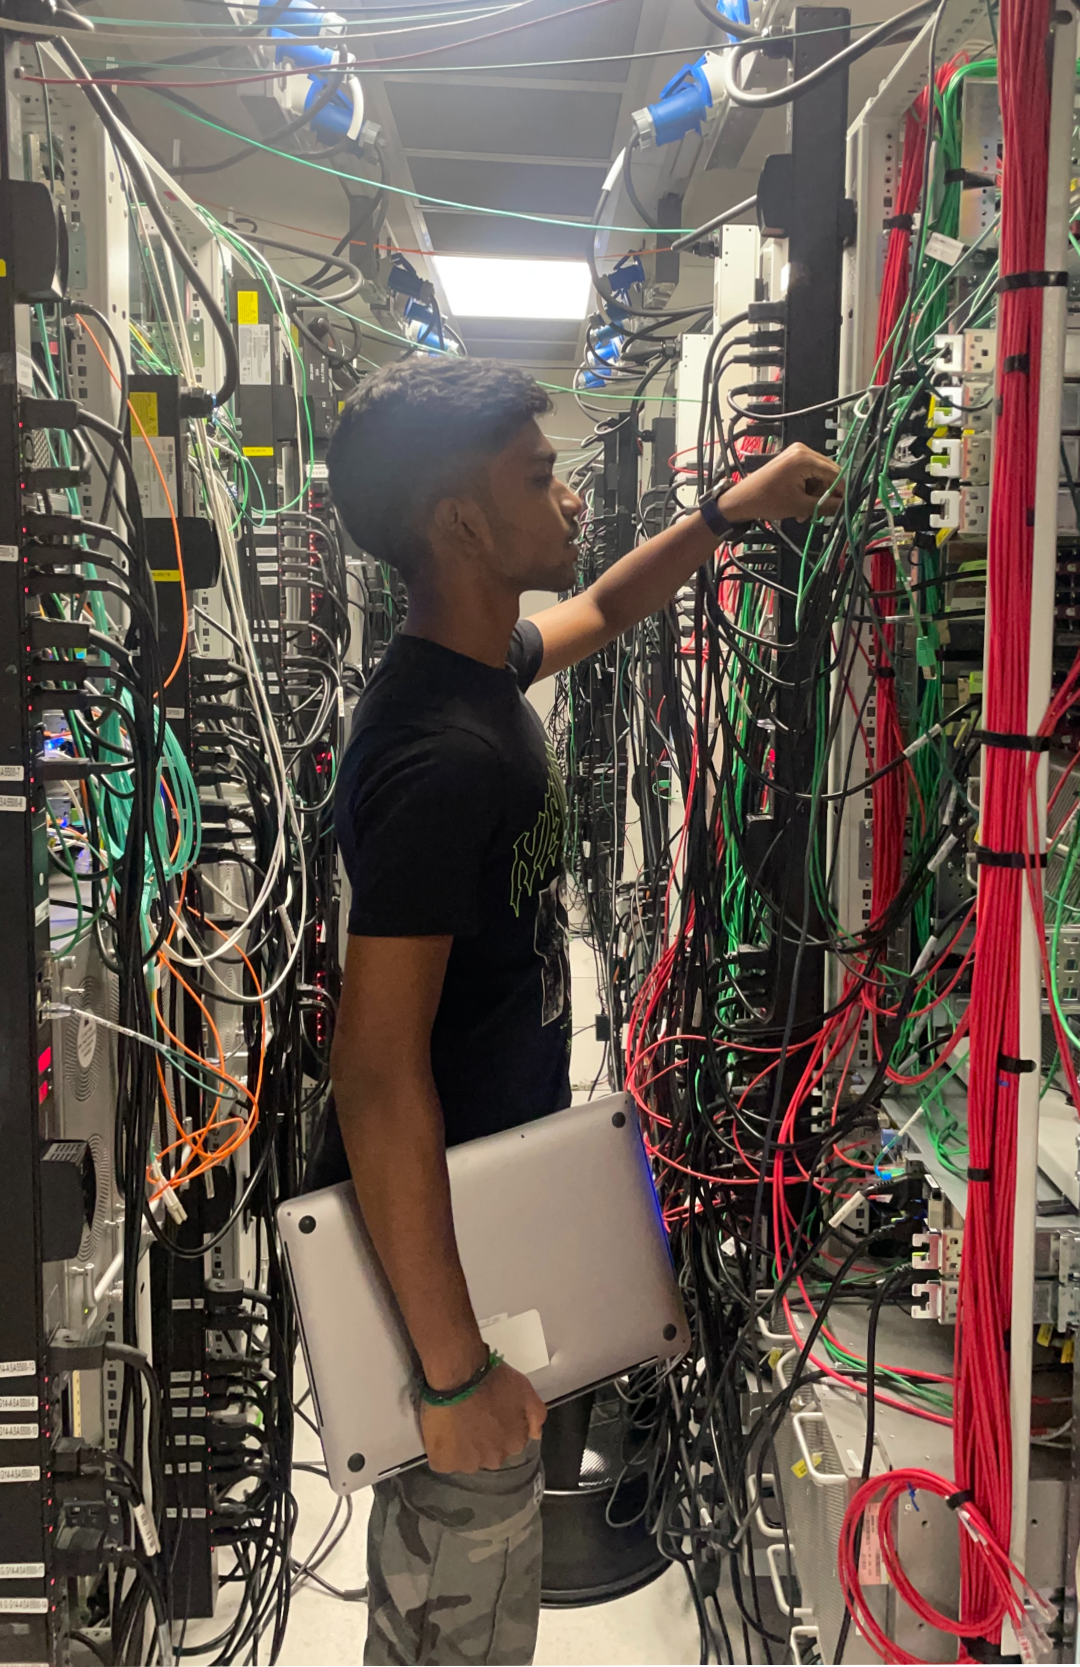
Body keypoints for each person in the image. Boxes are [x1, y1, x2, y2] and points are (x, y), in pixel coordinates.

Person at [308, 355, 842, 1666]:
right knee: (461, 1588)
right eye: (537, 478)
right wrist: (446, 1374)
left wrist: (730, 513)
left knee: (483, 1586)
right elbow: (374, 1075)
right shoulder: (437, 758)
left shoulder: (475, 664)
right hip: (440, 1263)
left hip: (488, 1228)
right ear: (461, 523)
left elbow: (602, 604)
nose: (568, 501)